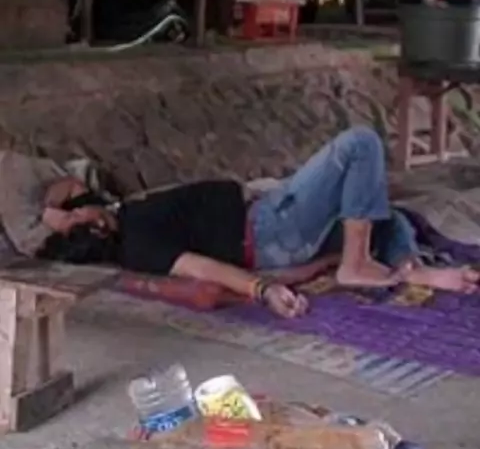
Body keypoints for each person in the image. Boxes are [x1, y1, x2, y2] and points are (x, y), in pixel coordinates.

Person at [32, 126, 479, 319]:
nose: (78, 204)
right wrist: (263, 290)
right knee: (360, 143)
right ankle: (357, 263)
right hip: (272, 226)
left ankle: (410, 268)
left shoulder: (121, 217)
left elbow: (66, 186)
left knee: (381, 214)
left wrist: (52, 214)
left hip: (273, 222)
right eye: (76, 213)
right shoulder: (138, 243)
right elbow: (204, 270)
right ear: (94, 229)